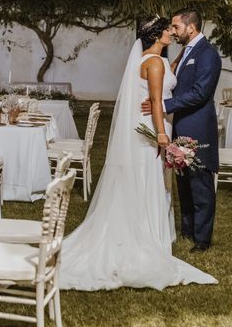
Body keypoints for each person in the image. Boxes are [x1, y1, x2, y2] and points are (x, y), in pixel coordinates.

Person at [59, 17, 217, 291]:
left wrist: (179, 58)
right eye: (168, 29)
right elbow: (156, 101)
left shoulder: (158, 60)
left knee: (151, 180)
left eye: (174, 28)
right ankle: (145, 233)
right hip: (153, 127)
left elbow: (171, 77)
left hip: (158, 122)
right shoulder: (154, 63)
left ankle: (154, 229)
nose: (171, 32)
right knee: (147, 178)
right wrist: (161, 134)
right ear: (157, 35)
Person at [142, 9, 222, 252]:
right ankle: (188, 229)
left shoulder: (208, 54)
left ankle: (203, 239)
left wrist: (164, 104)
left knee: (201, 185)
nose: (173, 32)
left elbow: (200, 92)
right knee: (184, 182)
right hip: (180, 125)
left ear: (191, 28)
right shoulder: (186, 51)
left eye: (176, 27)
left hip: (198, 126)